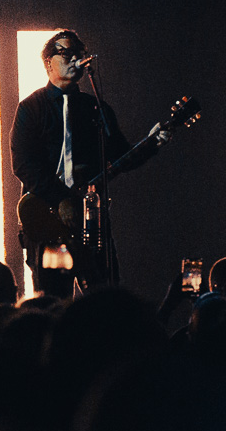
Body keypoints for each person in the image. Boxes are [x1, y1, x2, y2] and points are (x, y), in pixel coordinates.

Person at [10, 30, 167, 292]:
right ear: (48, 62)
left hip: (91, 217)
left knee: (105, 295)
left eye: (78, 53)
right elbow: (24, 164)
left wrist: (152, 144)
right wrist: (61, 199)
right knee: (53, 299)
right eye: (66, 53)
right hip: (48, 217)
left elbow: (120, 157)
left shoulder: (96, 108)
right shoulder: (31, 107)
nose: (75, 58)